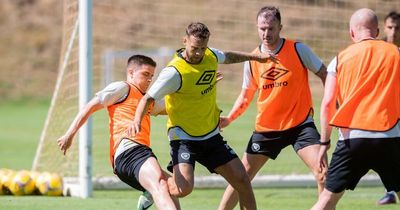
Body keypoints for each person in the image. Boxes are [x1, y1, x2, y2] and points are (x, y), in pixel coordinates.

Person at [128, 22, 276, 210]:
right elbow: (148, 98)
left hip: (211, 135)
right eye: (194, 48)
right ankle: (156, 188)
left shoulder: (210, 55)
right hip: (183, 137)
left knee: (242, 180)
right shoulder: (173, 72)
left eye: (202, 48)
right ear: (185, 41)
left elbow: (228, 56)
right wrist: (136, 121)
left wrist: (256, 57)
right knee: (183, 189)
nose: (198, 53)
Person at [217, 6, 328, 210]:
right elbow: (246, 95)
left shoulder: (298, 49)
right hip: (267, 129)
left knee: (323, 172)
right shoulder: (252, 59)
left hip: (300, 125)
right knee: (241, 178)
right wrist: (229, 118)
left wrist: (332, 101)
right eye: (262, 28)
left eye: (271, 28)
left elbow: (324, 73)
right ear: (257, 28)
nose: (266, 33)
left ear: (280, 28)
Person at [57, 55, 180, 210]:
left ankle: (149, 191)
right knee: (161, 184)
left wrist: (197, 92)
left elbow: (174, 108)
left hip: (129, 159)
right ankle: (150, 190)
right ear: (131, 72)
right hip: (130, 150)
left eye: (152, 76)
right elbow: (90, 106)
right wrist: (70, 133)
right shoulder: (123, 88)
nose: (149, 80)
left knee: (171, 188)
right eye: (145, 74)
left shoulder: (147, 100)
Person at [311, 8, 400, 210]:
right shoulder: (396, 54)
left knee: (326, 200)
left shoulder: (339, 60)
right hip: (389, 138)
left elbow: (327, 104)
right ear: (378, 32)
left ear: (352, 33)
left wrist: (324, 143)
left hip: (352, 140)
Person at [377, 10, 400, 206]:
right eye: (390, 27)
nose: (393, 32)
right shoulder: (379, 50)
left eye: (397, 28)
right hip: (384, 110)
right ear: (384, 28)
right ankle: (391, 190)